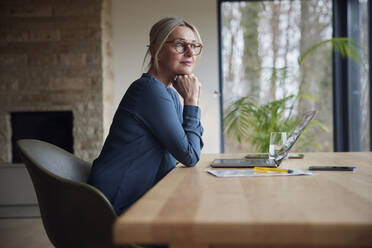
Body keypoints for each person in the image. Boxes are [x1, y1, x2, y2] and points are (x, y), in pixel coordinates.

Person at [88, 17, 204, 215]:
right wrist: (192, 101)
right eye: (179, 44)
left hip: (140, 195)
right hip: (114, 203)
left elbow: (182, 153)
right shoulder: (149, 91)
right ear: (155, 51)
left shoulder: (168, 94)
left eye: (194, 45)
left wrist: (187, 101)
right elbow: (190, 155)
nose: (190, 52)